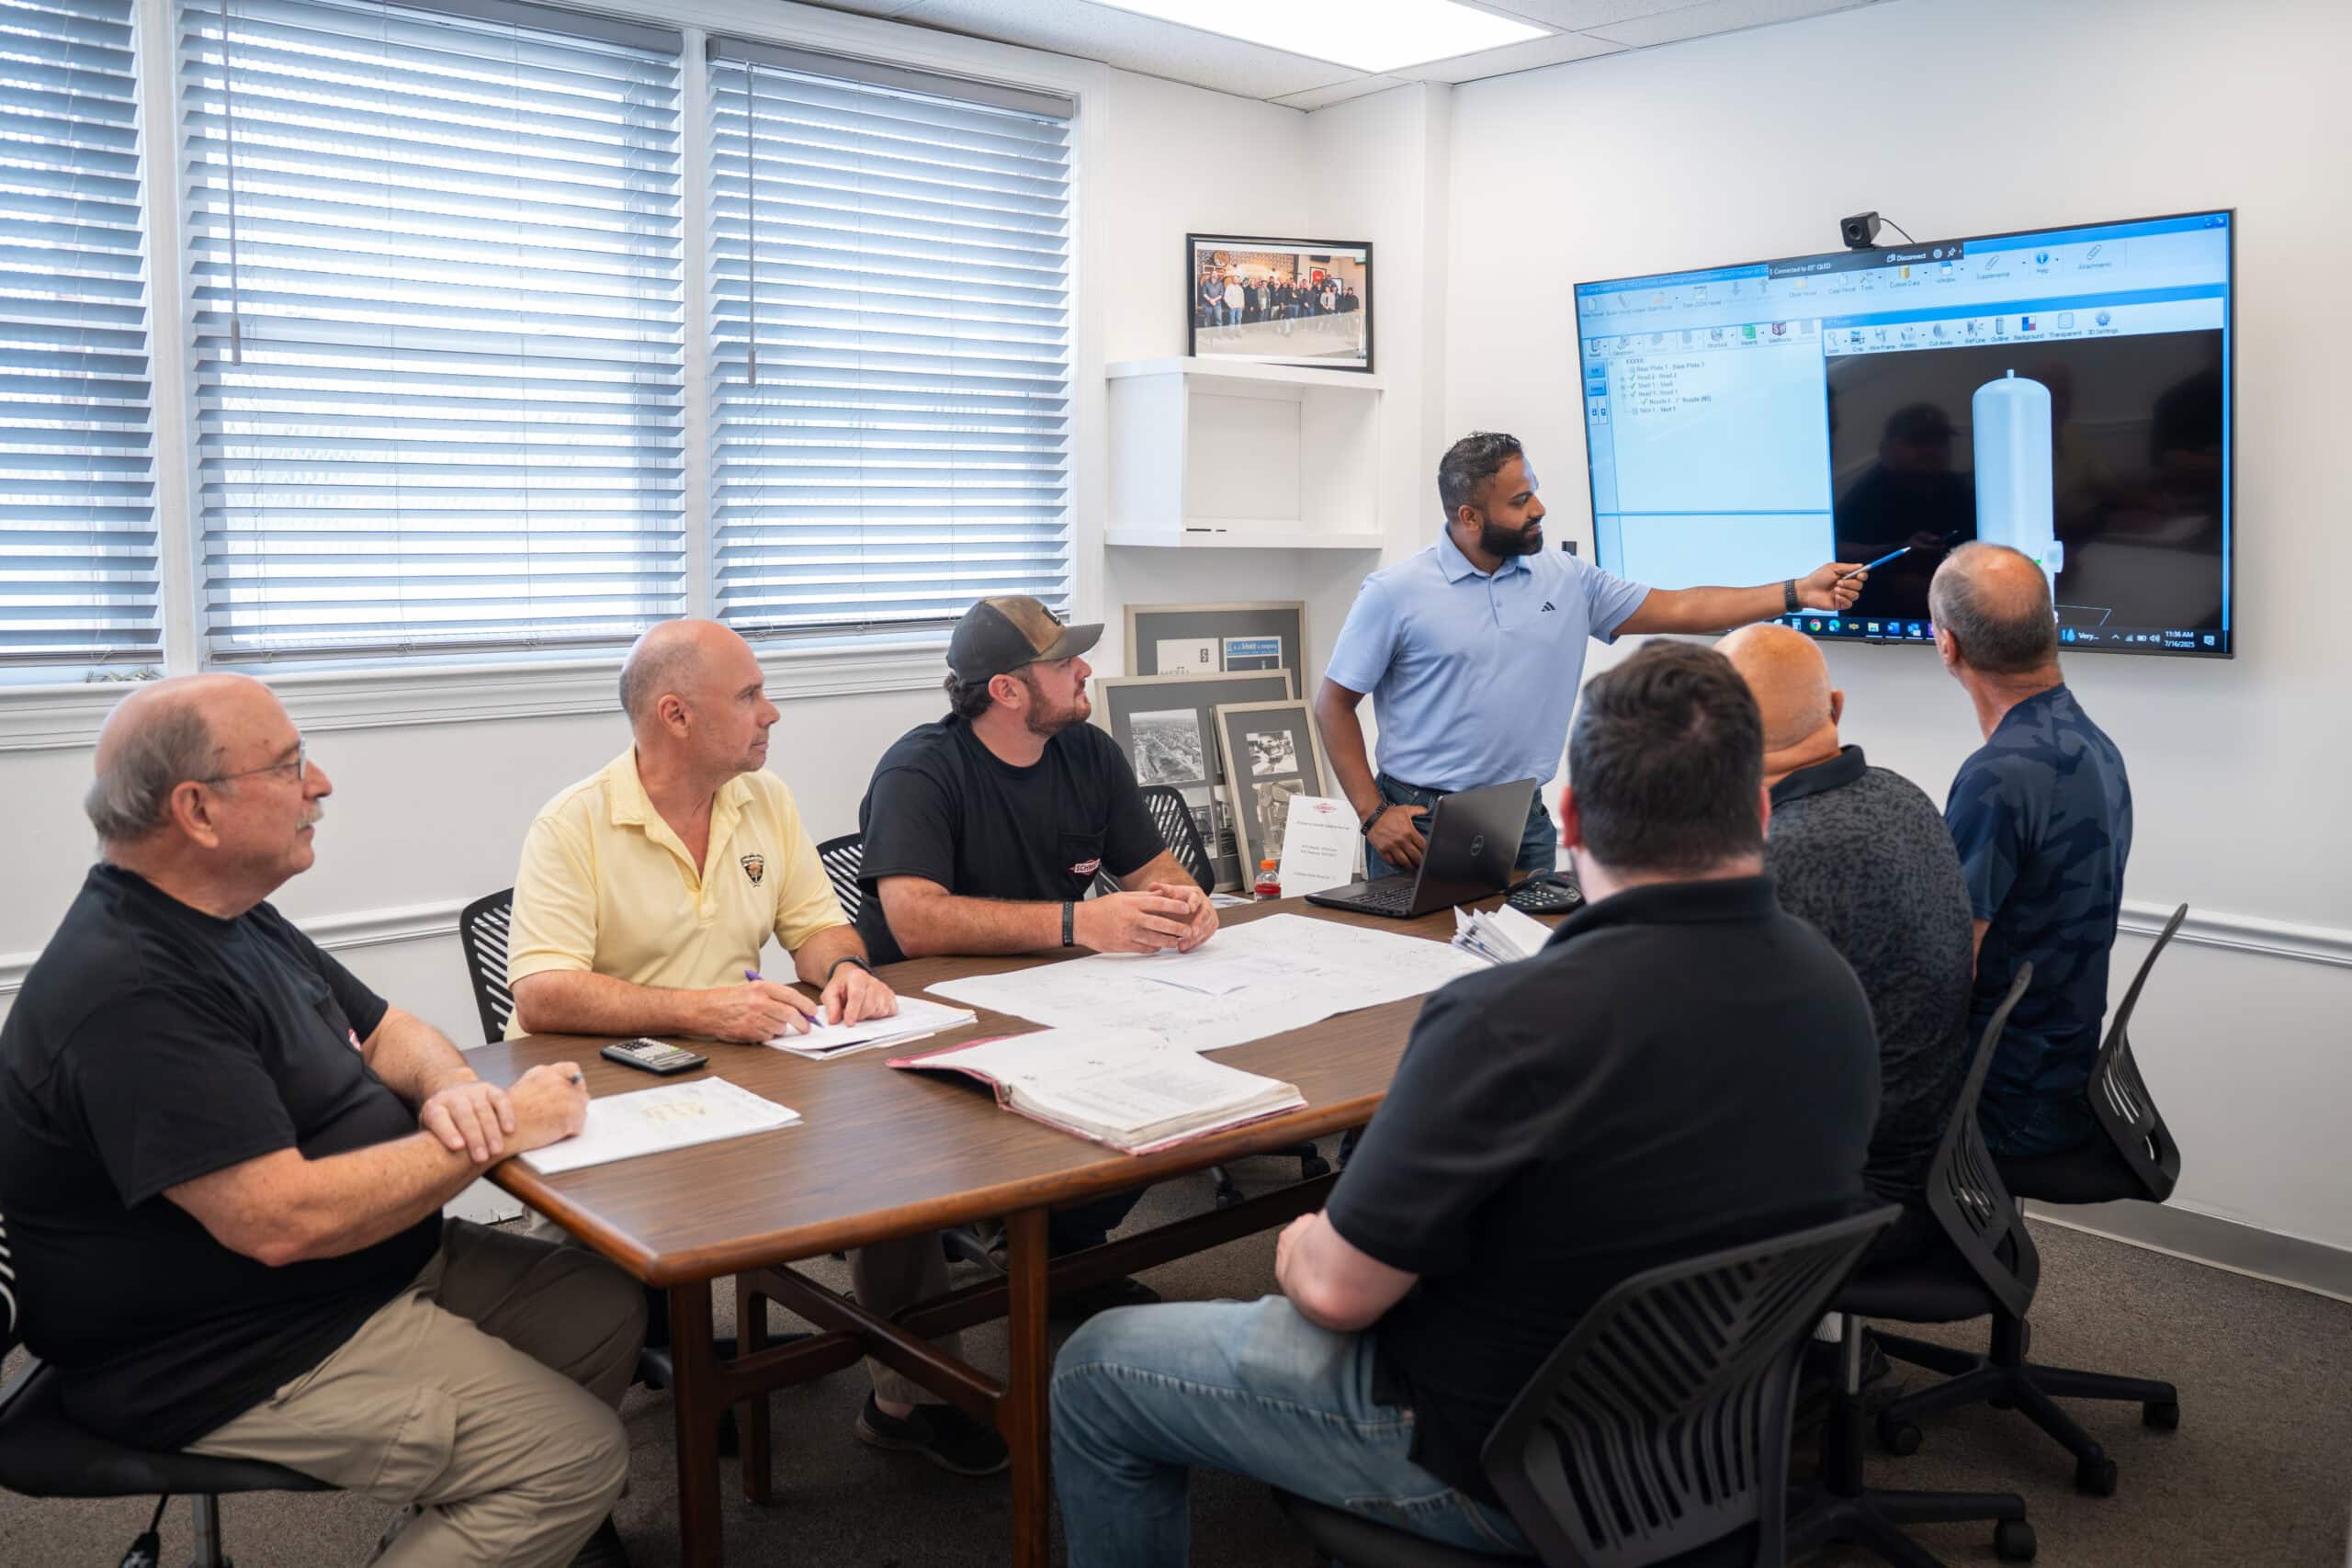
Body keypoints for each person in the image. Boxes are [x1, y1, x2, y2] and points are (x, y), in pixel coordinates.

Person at [1048, 642, 1881, 1567]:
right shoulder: (1834, 990)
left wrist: (1297, 1246)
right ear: (1759, 808)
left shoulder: (1507, 1019)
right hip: (1711, 1442)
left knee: (1097, 1363)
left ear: (1570, 816)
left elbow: (1335, 1294)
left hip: (1500, 1466)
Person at [0, 674, 644, 1568]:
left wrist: (452, 1088)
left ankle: (482, 1524)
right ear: (196, 810)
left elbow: (386, 1029)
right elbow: (281, 1220)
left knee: (603, 1304)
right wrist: (500, 1130)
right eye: (288, 764)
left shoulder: (231, 917)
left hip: (359, 1276)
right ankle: (526, 1498)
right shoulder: (133, 989)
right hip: (233, 1352)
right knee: (574, 1458)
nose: (321, 783)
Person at [503, 620, 1007, 1476]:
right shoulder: (573, 822)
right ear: (676, 715)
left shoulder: (762, 798)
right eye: (748, 696)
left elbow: (816, 927)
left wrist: (846, 969)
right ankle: (557, 1478)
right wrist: (702, 1009)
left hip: (742, 1071)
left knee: (892, 1170)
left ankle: (911, 1398)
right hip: (605, 1092)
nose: (771, 711)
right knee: (570, 1270)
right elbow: (543, 991)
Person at [856, 596, 1217, 1303]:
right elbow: (915, 922)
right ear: (1007, 690)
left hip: (1051, 999)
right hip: (929, 1018)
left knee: (1179, 1080)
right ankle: (1037, 1247)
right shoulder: (919, 770)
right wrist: (1079, 923)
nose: (1086, 670)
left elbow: (1156, 871)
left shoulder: (1089, 753)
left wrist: (1187, 902)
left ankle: (1059, 1247)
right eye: (1064, 663)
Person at [1317, 430, 1869, 883]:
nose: (1539, 509)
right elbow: (1333, 705)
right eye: (1519, 502)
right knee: (1411, 973)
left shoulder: (1568, 578)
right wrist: (1372, 814)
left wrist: (1798, 591)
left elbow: (1684, 607)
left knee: (1533, 965)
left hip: (1523, 818)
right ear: (1470, 517)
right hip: (1419, 824)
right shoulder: (1394, 593)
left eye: (1533, 491)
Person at [1721, 622, 1975, 1259]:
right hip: (1933, 1163)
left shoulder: (1786, 854)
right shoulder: (1902, 794)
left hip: (1856, 1195)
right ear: (1835, 708)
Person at [1931, 543, 2132, 1157]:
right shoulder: (2091, 743)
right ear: (2051, 627)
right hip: (2063, 1073)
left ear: (1948, 645)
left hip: (2007, 1099)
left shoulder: (1998, 777)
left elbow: (1951, 965)